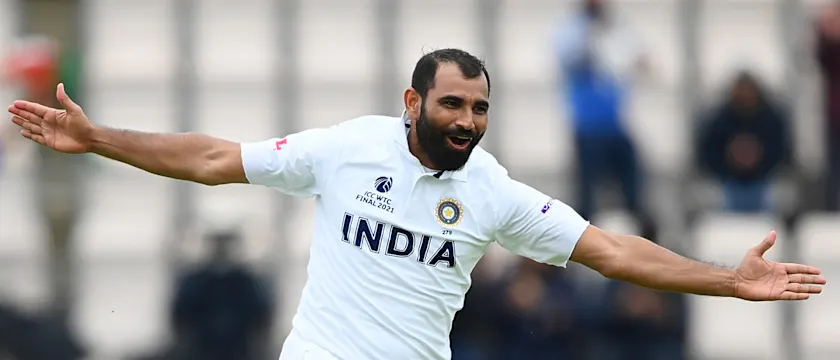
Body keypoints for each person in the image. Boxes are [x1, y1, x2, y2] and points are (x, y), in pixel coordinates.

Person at [7, 49, 826, 360]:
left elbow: (610, 251)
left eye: (480, 108)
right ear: (413, 102)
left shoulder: (491, 190)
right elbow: (215, 159)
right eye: (452, 105)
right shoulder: (347, 148)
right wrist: (100, 137)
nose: (467, 121)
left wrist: (726, 280)